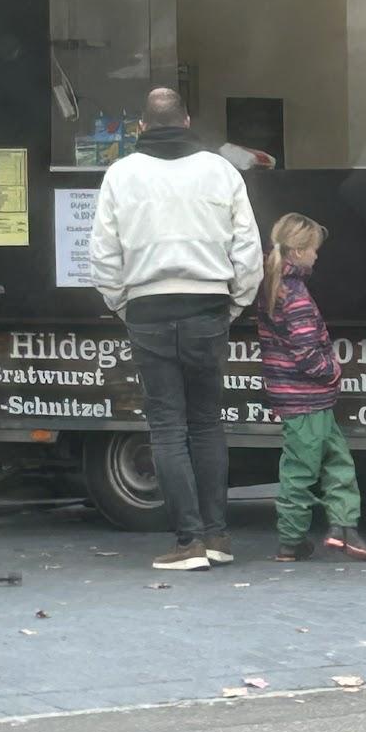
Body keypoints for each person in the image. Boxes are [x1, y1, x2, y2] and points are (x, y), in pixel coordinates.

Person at [90, 88, 263, 572]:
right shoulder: (220, 170)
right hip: (208, 304)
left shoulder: (120, 175)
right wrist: (235, 304)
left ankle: (187, 541)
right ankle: (218, 538)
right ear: (187, 120)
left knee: (167, 426)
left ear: (141, 127)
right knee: (207, 423)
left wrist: (124, 304)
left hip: (147, 307)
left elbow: (103, 256)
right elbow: (248, 250)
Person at [257, 213, 366, 562]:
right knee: (301, 469)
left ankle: (344, 528)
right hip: (305, 399)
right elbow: (307, 353)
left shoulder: (273, 286)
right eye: (313, 249)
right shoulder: (294, 295)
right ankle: (290, 542)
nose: (317, 256)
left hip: (305, 399)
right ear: (297, 251)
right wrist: (333, 371)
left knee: (337, 461)